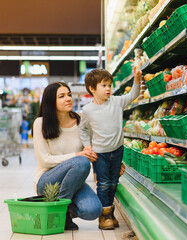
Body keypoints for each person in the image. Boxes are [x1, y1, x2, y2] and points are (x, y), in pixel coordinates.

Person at [32, 82, 103, 230]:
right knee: (81, 162)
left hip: (74, 180)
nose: (68, 99)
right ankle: (62, 214)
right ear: (51, 101)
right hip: (47, 181)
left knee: (93, 210)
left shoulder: (80, 121)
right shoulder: (41, 123)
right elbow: (44, 160)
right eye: (62, 96)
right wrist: (77, 155)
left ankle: (59, 209)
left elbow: (90, 150)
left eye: (69, 95)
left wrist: (111, 164)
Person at [79, 67, 141, 230]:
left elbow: (132, 96)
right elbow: (83, 129)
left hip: (118, 150)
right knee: (104, 183)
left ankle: (109, 212)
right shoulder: (87, 110)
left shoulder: (116, 101)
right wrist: (87, 146)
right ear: (92, 89)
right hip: (100, 153)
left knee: (114, 182)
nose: (108, 88)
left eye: (109, 85)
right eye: (104, 85)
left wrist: (136, 80)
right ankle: (104, 216)